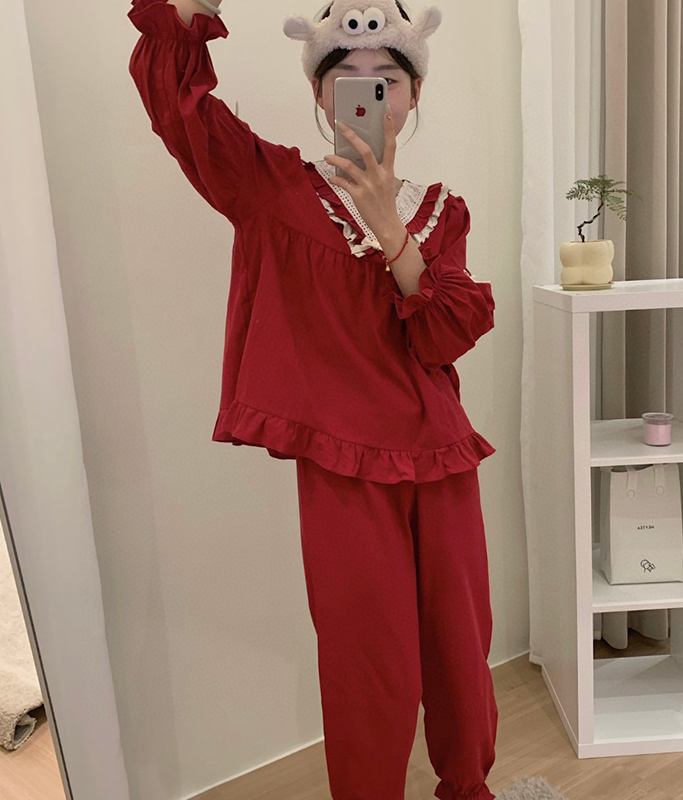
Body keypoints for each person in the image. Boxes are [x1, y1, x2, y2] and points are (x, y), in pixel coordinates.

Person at [127, 2, 499, 799]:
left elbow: (447, 335)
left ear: (416, 94)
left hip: (441, 456)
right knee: (368, 661)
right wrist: (187, 15)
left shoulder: (440, 212)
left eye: (389, 78)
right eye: (348, 79)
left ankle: (470, 789)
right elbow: (179, 111)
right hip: (344, 462)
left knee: (461, 649)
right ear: (321, 97)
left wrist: (390, 229)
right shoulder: (271, 188)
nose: (371, 93)